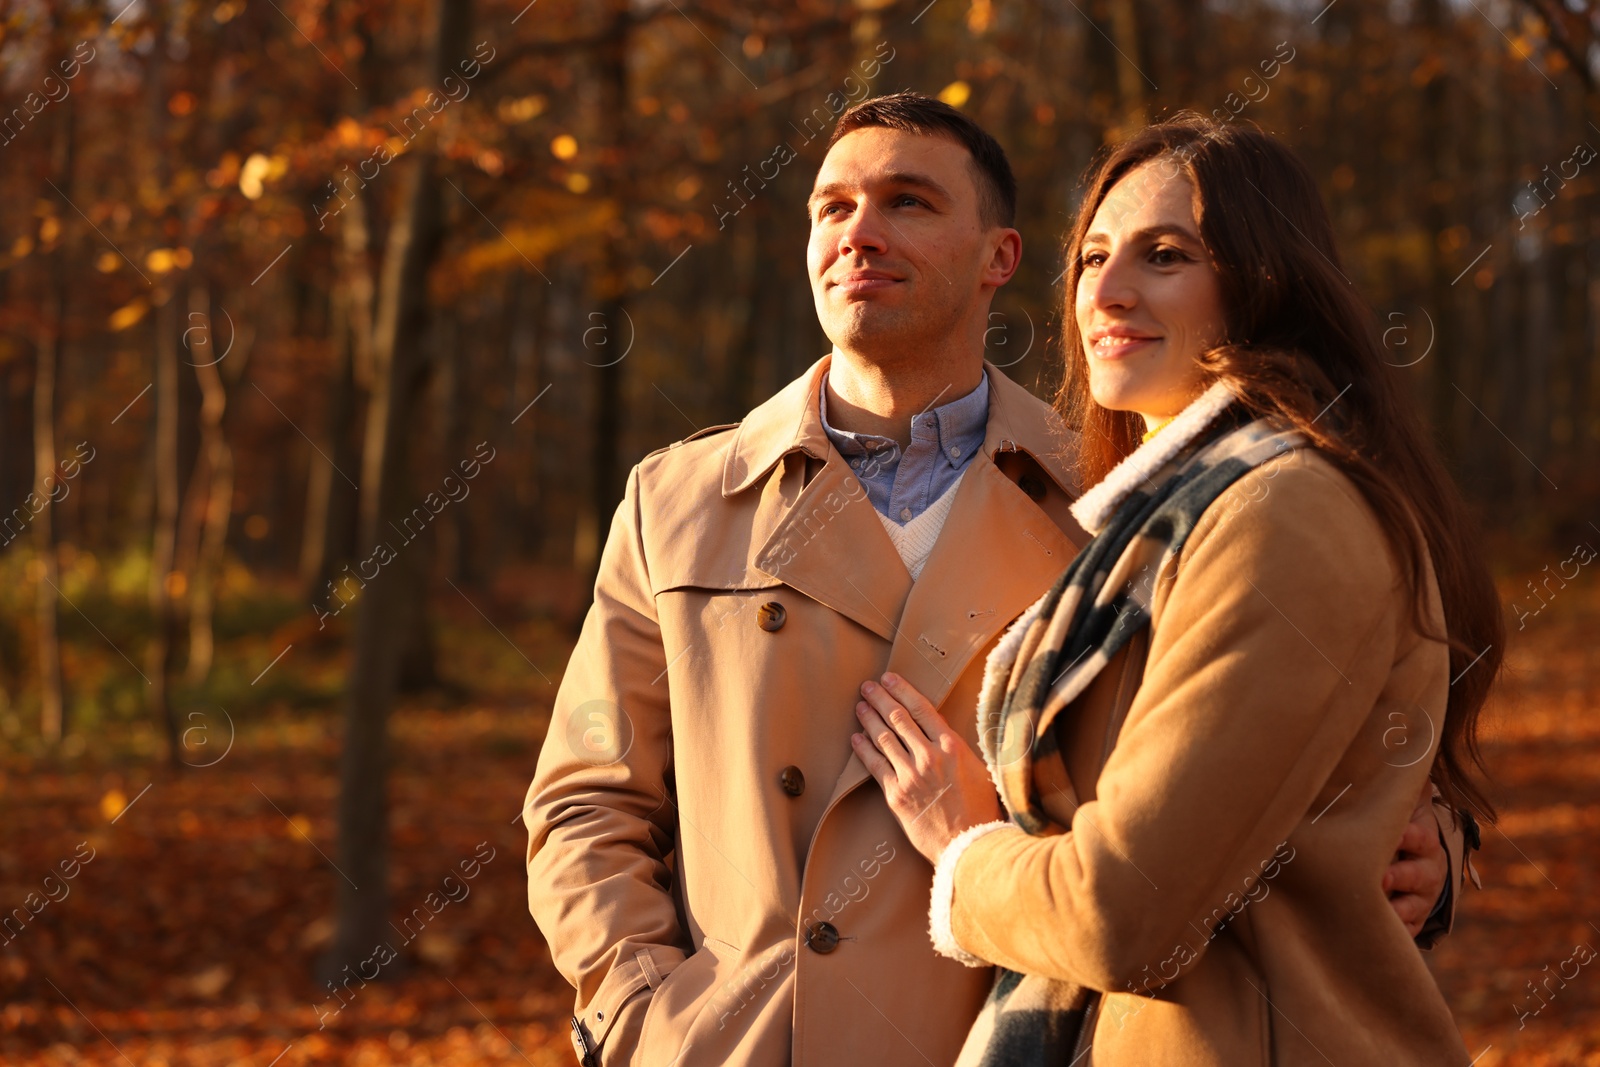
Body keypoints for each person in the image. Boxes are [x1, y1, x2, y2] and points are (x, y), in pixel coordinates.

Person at [524, 94, 1463, 1067]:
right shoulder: (675, 500)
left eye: (908, 201)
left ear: (999, 259)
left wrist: (1427, 845)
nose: (859, 232)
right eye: (831, 206)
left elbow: (1320, 740)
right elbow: (585, 801)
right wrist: (644, 1013)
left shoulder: (1120, 495)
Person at [851, 113, 1498, 1064]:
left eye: (1165, 256)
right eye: (1095, 257)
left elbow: (1127, 915)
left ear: (1262, 285)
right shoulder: (1153, 517)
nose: (1107, 291)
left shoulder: (1284, 509)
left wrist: (965, 846)